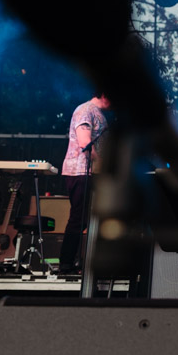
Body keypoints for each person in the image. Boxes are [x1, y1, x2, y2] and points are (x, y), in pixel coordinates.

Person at [59, 92, 111, 274]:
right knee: (79, 218)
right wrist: (100, 164)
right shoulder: (85, 110)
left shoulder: (99, 113)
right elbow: (85, 142)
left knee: (94, 219)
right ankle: (65, 263)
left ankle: (87, 263)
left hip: (92, 173)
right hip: (81, 171)